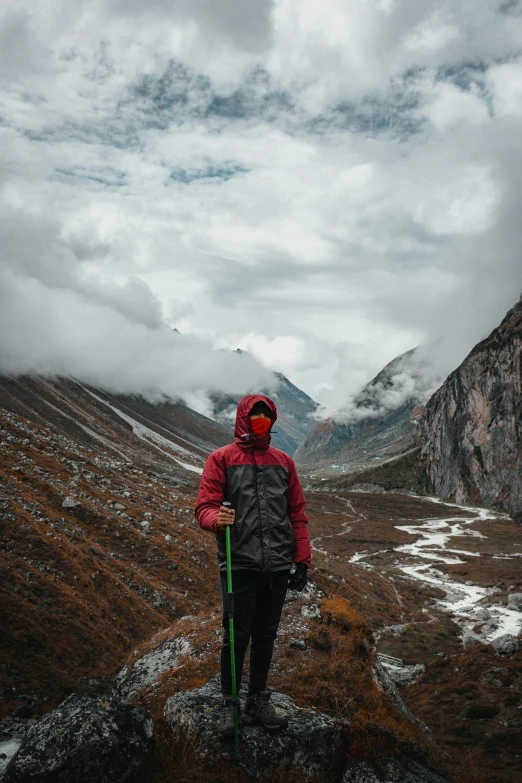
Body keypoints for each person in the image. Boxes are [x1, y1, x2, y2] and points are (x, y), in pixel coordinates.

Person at [195, 394, 311, 740]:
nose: (262, 419)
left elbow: (297, 514)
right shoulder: (222, 459)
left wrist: (301, 561)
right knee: (236, 636)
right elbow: (204, 507)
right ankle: (230, 704)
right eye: (256, 414)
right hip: (239, 565)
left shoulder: (284, 462)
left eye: (267, 415)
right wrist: (218, 519)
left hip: (276, 567)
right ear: (244, 418)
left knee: (265, 637)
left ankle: (257, 700)